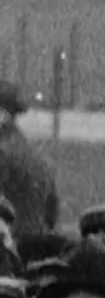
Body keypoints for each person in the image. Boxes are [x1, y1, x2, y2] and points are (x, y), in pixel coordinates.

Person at [0, 82, 58, 238]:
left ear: (3, 115)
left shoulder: (4, 154)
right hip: (36, 242)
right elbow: (51, 215)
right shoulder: (37, 156)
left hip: (10, 243)